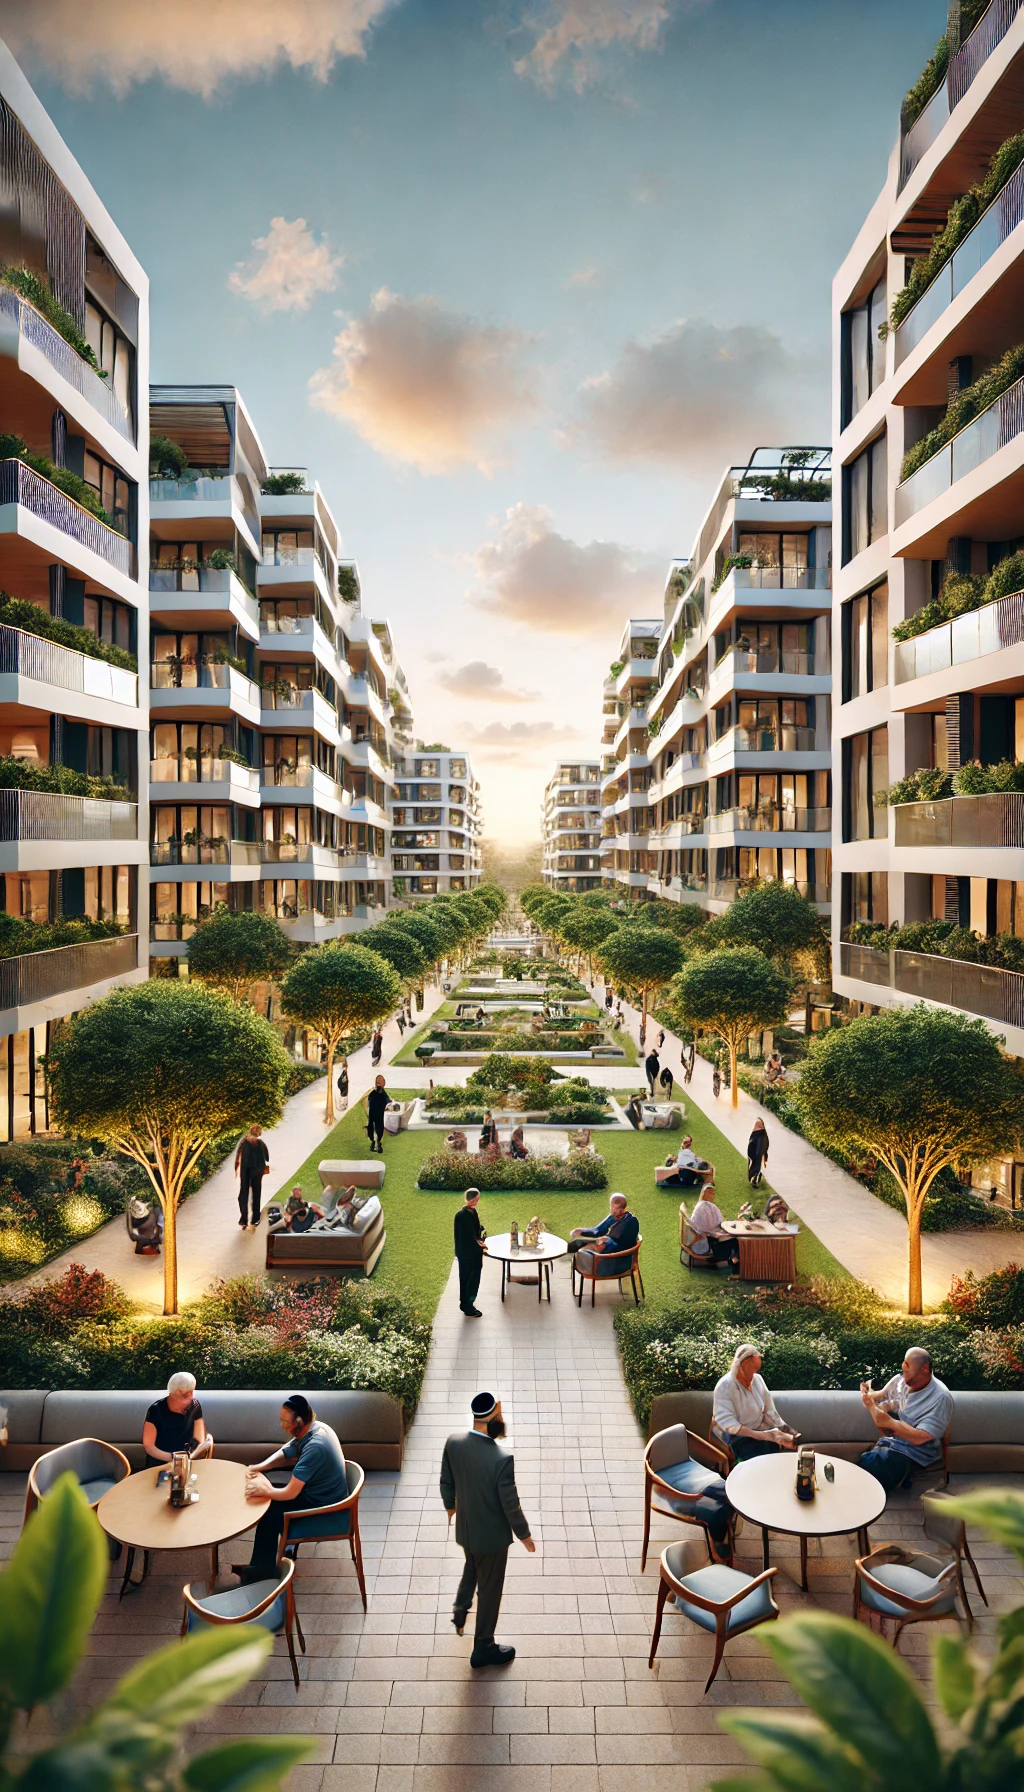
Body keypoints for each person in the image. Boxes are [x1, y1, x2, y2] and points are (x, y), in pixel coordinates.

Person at [440, 1391, 535, 1668]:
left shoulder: (454, 1443)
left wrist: (451, 1508)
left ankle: (460, 1608)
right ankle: (484, 1647)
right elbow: (511, 1505)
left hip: (466, 1532)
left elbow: (447, 1480)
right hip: (491, 1539)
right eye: (501, 1417)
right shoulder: (500, 1459)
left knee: (472, 1564)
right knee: (490, 1590)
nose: (503, 1422)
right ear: (492, 1420)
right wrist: (525, 1535)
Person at [238, 1395, 348, 1582]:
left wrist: (265, 1491)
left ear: (298, 1421)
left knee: (268, 1514)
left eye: (284, 1422)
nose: (282, 1426)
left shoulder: (315, 1447)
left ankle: (261, 1574)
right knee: (270, 1498)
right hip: (323, 1494)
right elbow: (287, 1451)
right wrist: (261, 1467)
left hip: (324, 1508)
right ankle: (261, 1566)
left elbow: (290, 1492)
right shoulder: (316, 1428)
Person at [858, 1349, 953, 1493]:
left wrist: (882, 1416)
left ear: (925, 1369)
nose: (903, 1367)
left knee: (870, 1468)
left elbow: (919, 1438)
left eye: (907, 1366)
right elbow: (880, 1396)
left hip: (916, 1454)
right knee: (865, 1462)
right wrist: (867, 1393)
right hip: (893, 1444)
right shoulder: (900, 1381)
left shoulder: (940, 1398)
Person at [712, 1345, 799, 1459]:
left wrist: (787, 1430)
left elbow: (770, 1411)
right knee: (760, 1456)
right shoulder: (725, 1386)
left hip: (760, 1430)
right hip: (737, 1436)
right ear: (742, 1365)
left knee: (778, 1454)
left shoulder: (757, 1380)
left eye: (756, 1370)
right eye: (752, 1369)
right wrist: (766, 1436)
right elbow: (729, 1426)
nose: (754, 1374)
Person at [143, 1371, 208, 1469]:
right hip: (160, 1464)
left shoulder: (195, 1406)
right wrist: (174, 1458)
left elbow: (199, 1437)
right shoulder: (156, 1410)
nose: (190, 1397)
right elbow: (149, 1446)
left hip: (187, 1462)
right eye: (184, 1395)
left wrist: (195, 1452)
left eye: (191, 1392)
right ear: (172, 1394)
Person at [567, 1192, 639, 1270]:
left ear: (622, 1209)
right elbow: (598, 1230)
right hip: (607, 1248)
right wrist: (581, 1231)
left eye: (615, 1208)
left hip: (616, 1260)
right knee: (575, 1244)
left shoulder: (631, 1221)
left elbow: (621, 1243)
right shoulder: (613, 1217)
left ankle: (579, 1266)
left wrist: (605, 1242)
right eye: (611, 1207)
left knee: (583, 1253)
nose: (612, 1211)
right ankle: (571, 1264)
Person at [454, 1187, 488, 1317]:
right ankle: (467, 1306)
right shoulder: (460, 1215)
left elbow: (474, 1231)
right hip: (467, 1255)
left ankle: (468, 1304)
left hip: (472, 1253)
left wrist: (480, 1238)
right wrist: (479, 1246)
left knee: (473, 1279)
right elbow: (465, 1237)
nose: (477, 1202)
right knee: (468, 1279)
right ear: (472, 1199)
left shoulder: (472, 1212)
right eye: (476, 1199)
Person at [686, 1184, 738, 1267]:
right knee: (734, 1239)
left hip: (709, 1235)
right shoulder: (701, 1207)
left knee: (732, 1235)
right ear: (703, 1194)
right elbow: (705, 1228)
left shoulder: (708, 1205)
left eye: (712, 1192)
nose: (712, 1194)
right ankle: (733, 1261)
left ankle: (734, 1259)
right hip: (706, 1241)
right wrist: (719, 1233)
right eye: (709, 1192)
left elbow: (718, 1222)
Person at [234, 1124, 270, 1230]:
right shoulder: (260, 1143)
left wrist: (236, 1170)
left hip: (246, 1172)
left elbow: (238, 1157)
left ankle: (244, 1219)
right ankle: (255, 1219)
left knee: (243, 1196)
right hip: (257, 1172)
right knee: (256, 1194)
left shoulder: (244, 1143)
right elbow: (267, 1158)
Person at [365, 1075, 389, 1152]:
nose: (385, 1082)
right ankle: (378, 1144)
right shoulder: (382, 1094)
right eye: (383, 1081)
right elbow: (386, 1101)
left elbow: (369, 1101)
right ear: (381, 1083)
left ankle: (373, 1144)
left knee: (372, 1127)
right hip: (379, 1115)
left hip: (372, 1115)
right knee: (379, 1129)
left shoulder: (372, 1093)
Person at [747, 1118, 769, 1188]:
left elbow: (761, 1148)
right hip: (756, 1155)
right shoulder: (760, 1134)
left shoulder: (760, 1136)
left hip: (757, 1155)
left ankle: (755, 1178)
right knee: (757, 1165)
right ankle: (755, 1177)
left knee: (757, 1166)